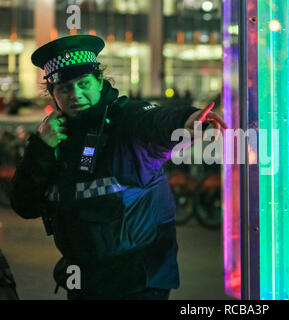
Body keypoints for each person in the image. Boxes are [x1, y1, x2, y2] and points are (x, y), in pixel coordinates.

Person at [9, 35, 227, 300]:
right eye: (65, 88)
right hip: (84, 283)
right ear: (53, 93)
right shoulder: (54, 137)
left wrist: (187, 120)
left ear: (100, 81)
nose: (76, 94)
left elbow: (154, 120)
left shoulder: (125, 120)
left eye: (84, 83)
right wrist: (41, 146)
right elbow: (25, 205)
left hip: (138, 284)